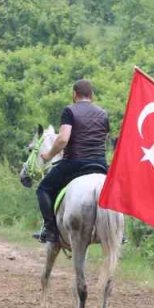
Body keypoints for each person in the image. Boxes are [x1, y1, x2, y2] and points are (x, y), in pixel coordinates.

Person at [33, 80, 110, 244]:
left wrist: (48, 155)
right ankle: (118, 231)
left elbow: (63, 139)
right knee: (117, 191)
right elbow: (104, 139)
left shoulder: (70, 110)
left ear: (74, 94)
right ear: (92, 96)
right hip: (100, 164)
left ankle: (50, 230)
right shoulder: (103, 114)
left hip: (75, 163)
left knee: (43, 189)